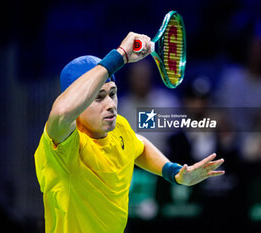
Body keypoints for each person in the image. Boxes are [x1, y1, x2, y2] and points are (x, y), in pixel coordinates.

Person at [34, 32, 225, 233]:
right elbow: (63, 112)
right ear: (79, 100)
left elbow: (138, 145)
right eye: (99, 97)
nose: (110, 105)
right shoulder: (63, 146)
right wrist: (121, 55)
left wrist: (175, 173)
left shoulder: (119, 129)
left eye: (113, 94)